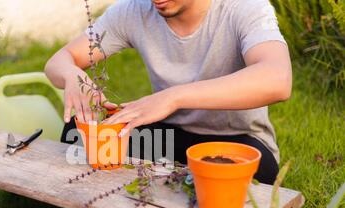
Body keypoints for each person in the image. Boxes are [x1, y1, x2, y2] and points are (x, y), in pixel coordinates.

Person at [45, 0, 292, 184]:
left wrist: (173, 97)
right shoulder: (134, 11)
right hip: (171, 138)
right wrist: (72, 74)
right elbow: (58, 61)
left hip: (234, 141)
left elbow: (278, 79)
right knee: (78, 136)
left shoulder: (244, 7)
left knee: (256, 172)